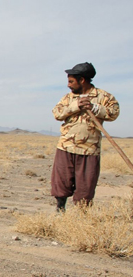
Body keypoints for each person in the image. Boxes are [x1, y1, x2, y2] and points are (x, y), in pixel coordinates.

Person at [51, 62, 120, 211]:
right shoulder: (68, 98)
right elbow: (57, 113)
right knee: (62, 181)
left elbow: (114, 113)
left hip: (89, 149)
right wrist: (75, 106)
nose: (68, 85)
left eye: (71, 81)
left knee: (86, 185)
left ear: (82, 80)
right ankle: (60, 208)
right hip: (66, 146)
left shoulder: (103, 96)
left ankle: (82, 216)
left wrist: (95, 108)